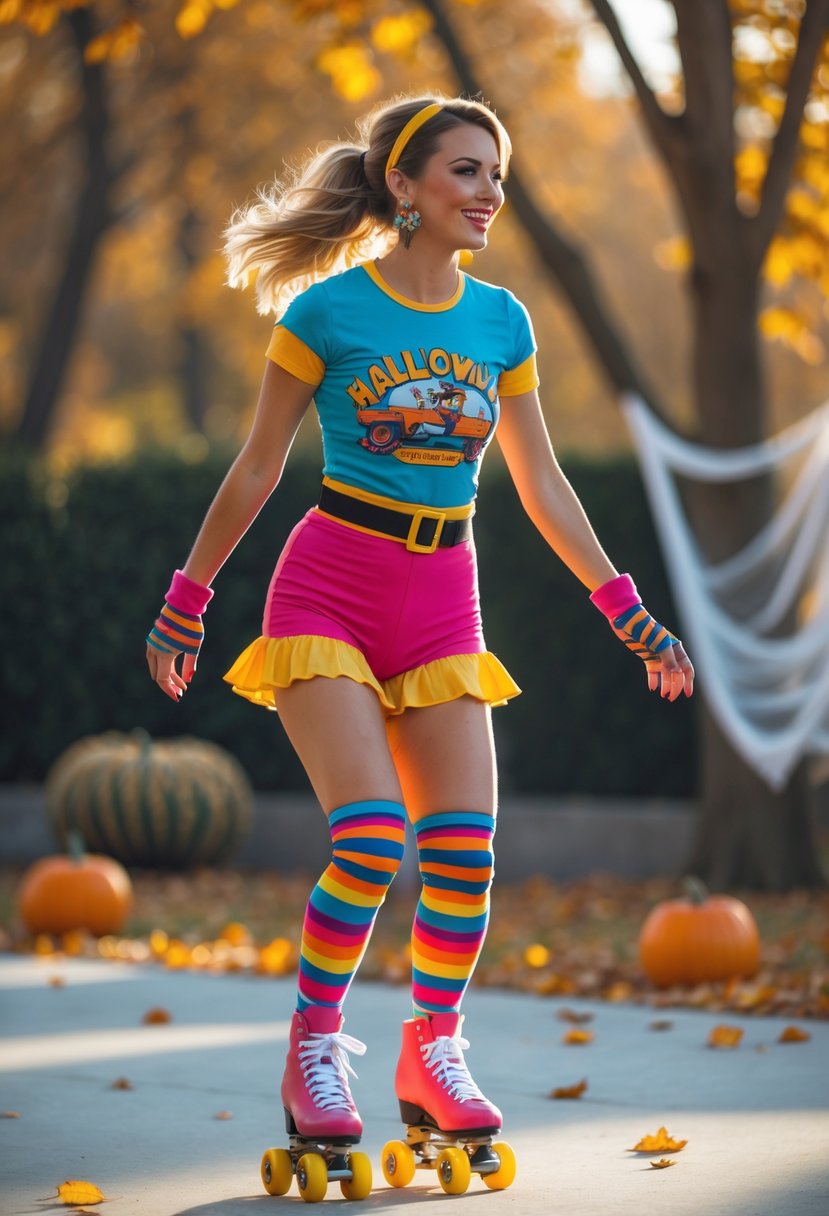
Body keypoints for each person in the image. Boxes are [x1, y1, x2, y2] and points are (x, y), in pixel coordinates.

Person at [146, 95, 694, 1180]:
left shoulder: (503, 323)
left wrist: (627, 612)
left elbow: (539, 484)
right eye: (465, 172)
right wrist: (187, 597)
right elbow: (256, 467)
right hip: (329, 587)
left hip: (446, 592)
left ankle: (430, 1049)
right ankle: (314, 1052)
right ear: (404, 186)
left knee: (462, 855)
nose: (489, 192)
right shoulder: (326, 315)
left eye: (496, 174)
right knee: (370, 834)